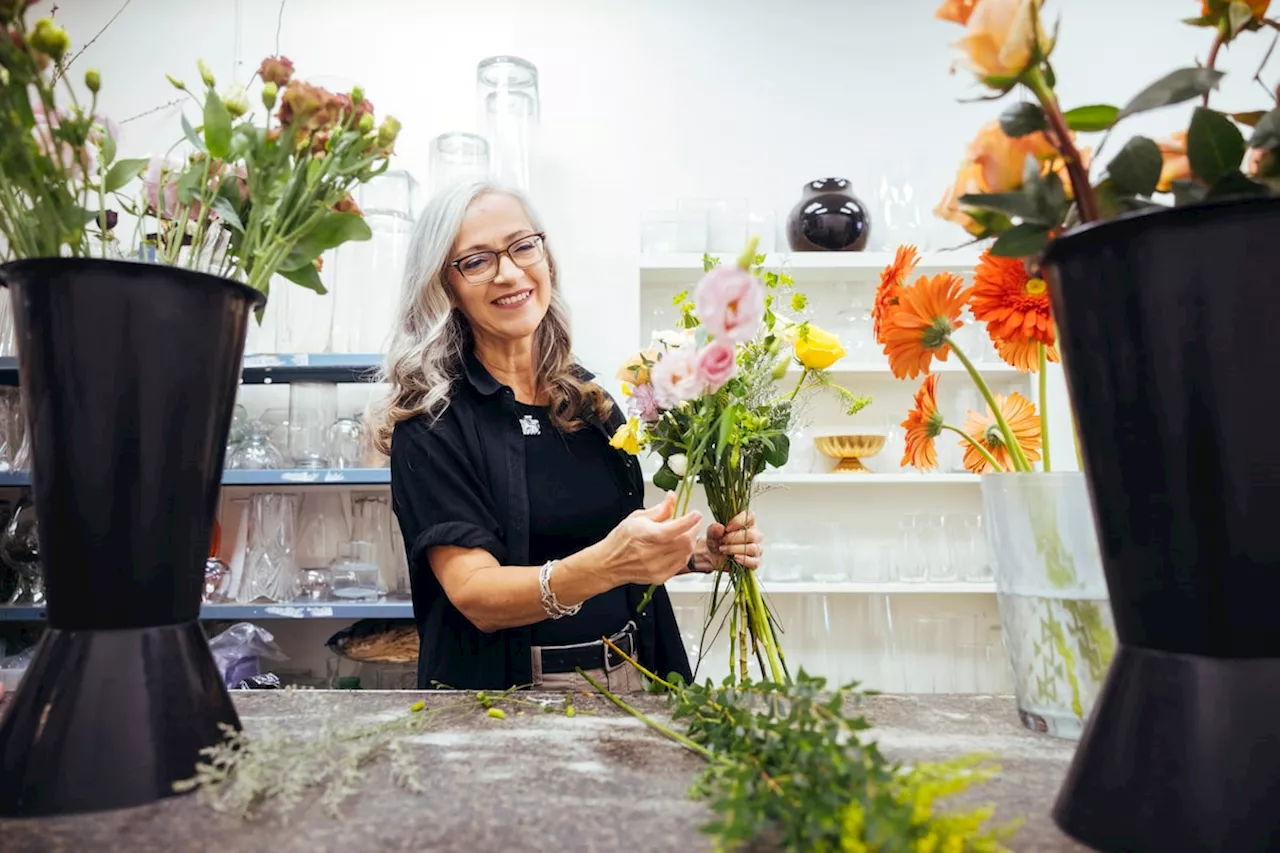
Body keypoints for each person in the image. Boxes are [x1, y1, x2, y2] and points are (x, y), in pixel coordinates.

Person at [372, 181, 765, 693]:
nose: (509, 272)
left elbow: (598, 538)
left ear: (546, 257)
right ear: (443, 288)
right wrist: (611, 563)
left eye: (522, 245)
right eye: (476, 261)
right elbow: (476, 595)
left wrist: (686, 554)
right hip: (511, 696)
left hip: (635, 672)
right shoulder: (432, 420)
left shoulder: (585, 399)